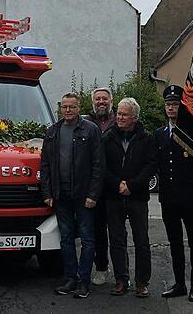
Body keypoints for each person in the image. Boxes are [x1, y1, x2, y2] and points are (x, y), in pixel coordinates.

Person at [40, 92, 104, 299]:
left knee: (87, 239)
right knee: (66, 238)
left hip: (84, 195)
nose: (67, 110)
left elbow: (98, 165)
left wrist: (93, 194)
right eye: (64, 107)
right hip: (61, 195)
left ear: (79, 108)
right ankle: (70, 278)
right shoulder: (53, 131)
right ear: (60, 108)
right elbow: (46, 164)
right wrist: (47, 193)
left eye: (72, 107)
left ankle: (84, 281)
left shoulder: (91, 130)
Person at [155, 85, 193, 302]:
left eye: (175, 104)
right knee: (174, 241)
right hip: (168, 199)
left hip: (189, 198)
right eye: (168, 104)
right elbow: (157, 163)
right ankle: (179, 283)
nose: (171, 108)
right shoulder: (160, 134)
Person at [103, 97, 156, 298]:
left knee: (141, 240)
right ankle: (121, 280)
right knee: (116, 240)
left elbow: (151, 166)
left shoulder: (147, 138)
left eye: (124, 114)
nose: (120, 117)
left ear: (134, 117)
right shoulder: (108, 137)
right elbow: (102, 165)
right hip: (114, 196)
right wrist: (117, 184)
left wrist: (131, 185)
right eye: (118, 114)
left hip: (137, 197)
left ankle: (142, 282)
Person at [83, 87, 115, 286]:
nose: (101, 102)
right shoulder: (85, 123)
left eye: (104, 98)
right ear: (92, 102)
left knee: (119, 232)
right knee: (97, 231)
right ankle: (101, 268)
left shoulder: (119, 121)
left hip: (114, 186)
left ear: (111, 100)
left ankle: (123, 275)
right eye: (97, 99)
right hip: (93, 187)